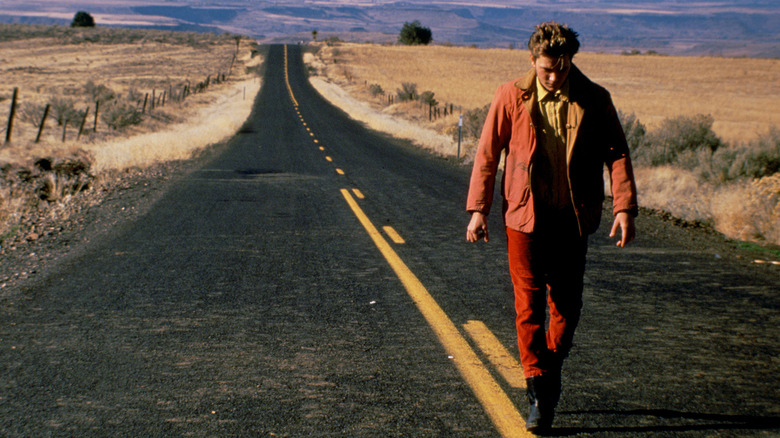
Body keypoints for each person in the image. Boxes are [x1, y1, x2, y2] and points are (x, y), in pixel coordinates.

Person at [465, 22, 638, 434]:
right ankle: (540, 392)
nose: (554, 76)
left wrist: (624, 207)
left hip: (572, 218)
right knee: (528, 307)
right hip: (524, 219)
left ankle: (548, 370)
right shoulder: (511, 96)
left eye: (561, 68)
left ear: (571, 60)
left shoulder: (594, 99)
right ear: (532, 60)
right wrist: (478, 210)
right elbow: (488, 153)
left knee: (567, 306)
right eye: (547, 69)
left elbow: (616, 153)